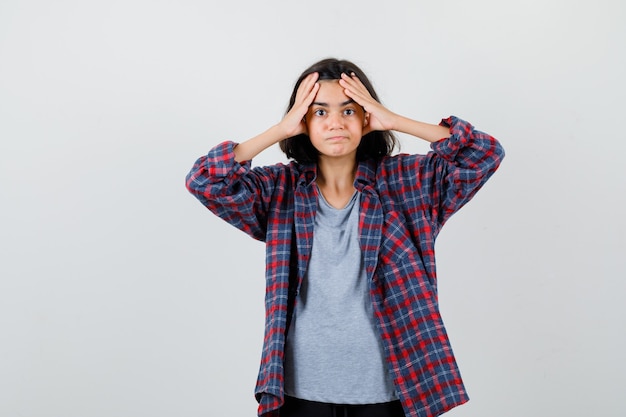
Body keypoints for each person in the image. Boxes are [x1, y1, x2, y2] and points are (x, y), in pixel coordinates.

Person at [185, 58, 505, 417]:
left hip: (391, 386)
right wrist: (280, 129)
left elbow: (483, 154)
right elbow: (205, 181)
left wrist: (394, 120)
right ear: (303, 120)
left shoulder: (407, 182)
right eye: (319, 112)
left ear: (366, 116)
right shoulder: (280, 189)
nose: (335, 122)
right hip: (300, 388)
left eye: (348, 110)